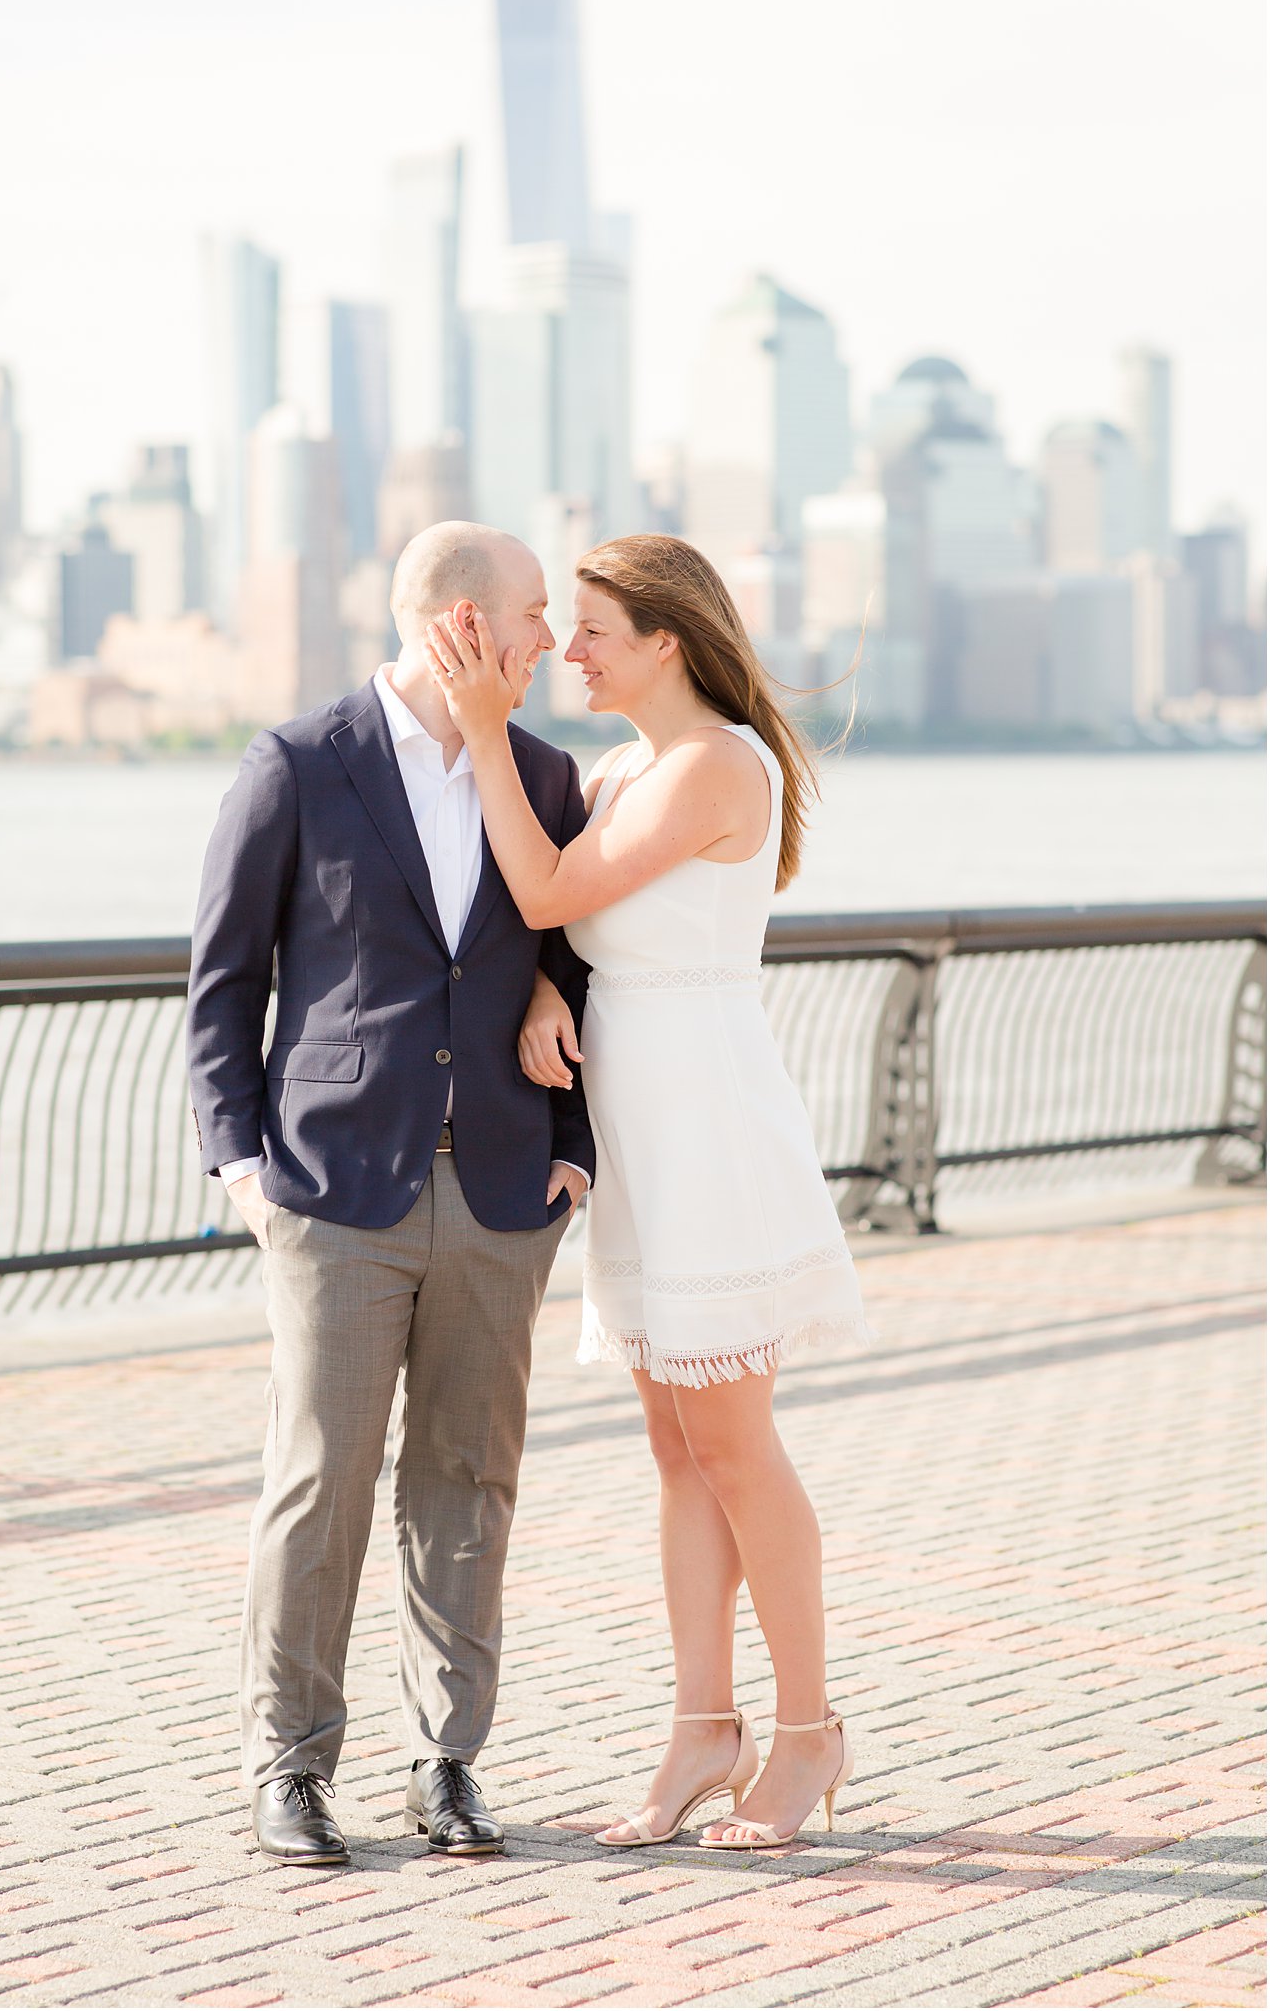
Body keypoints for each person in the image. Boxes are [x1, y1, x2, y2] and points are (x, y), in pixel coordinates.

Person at [423, 531, 870, 1853]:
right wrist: (560, 981)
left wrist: (481, 730)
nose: (570, 650)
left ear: (666, 640)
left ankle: (807, 1732)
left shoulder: (716, 763)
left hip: (711, 1130)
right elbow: (575, 923)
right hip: (640, 1139)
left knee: (735, 1444)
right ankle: (700, 1727)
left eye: (598, 629)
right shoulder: (621, 771)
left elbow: (551, 880)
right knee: (676, 1449)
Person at [187, 522, 595, 1867]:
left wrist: (572, 1147)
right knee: (321, 1478)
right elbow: (225, 983)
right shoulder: (299, 766)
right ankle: (289, 1767)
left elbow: (585, 973)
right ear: (463, 624)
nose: (550, 639)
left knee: (467, 1479)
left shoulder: (541, 774)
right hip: (333, 1188)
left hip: (497, 1187)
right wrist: (243, 1169)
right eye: (533, 614)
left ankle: (448, 1763)